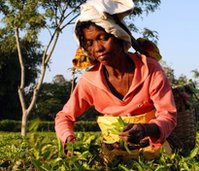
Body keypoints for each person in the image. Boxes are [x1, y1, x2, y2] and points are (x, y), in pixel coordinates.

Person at [54, 0, 177, 161]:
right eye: (89, 43)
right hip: (112, 155)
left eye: (103, 38)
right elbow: (64, 117)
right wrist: (69, 140)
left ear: (118, 36)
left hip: (154, 152)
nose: (98, 48)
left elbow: (168, 116)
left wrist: (145, 130)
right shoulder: (90, 81)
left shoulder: (149, 69)